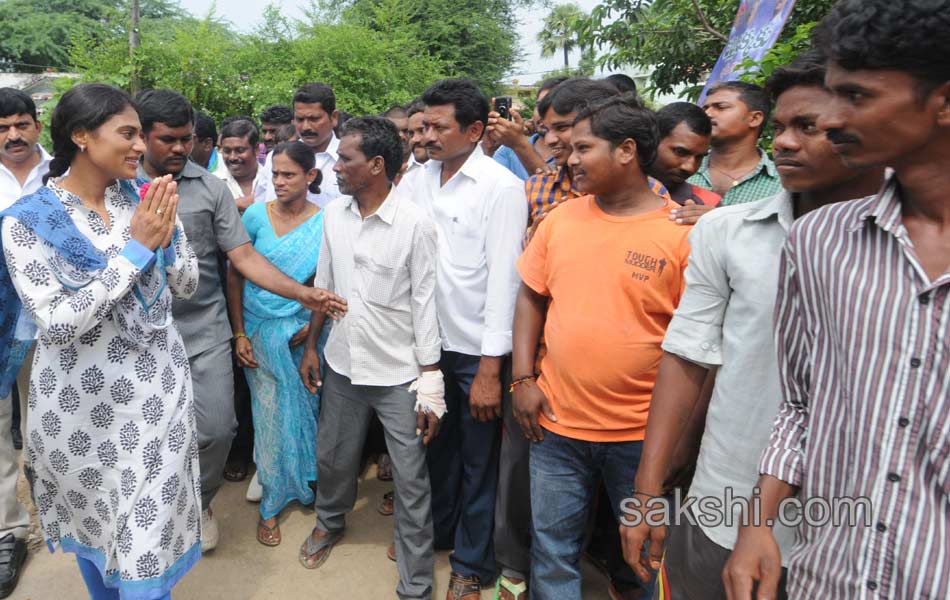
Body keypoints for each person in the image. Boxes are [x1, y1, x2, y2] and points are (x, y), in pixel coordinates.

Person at [621, 52, 885, 600]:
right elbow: (688, 357)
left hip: (859, 524)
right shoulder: (726, 231)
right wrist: (648, 492)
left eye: (808, 126)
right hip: (724, 500)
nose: (785, 143)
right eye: (783, 127)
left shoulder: (915, 249)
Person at [724, 1, 950, 598]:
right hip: (832, 575)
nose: (832, 118)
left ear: (944, 102)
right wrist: (758, 523)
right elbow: (801, 404)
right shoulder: (820, 241)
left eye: (857, 97)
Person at [0, 82, 201, 599]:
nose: (141, 146)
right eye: (128, 134)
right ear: (82, 136)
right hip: (78, 409)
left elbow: (186, 285)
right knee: (100, 540)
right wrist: (136, 249)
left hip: (156, 399)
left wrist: (168, 237)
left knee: (145, 551)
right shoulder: (27, 222)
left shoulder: (147, 196)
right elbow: (60, 323)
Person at [133, 88, 346, 553]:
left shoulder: (211, 189)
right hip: (133, 335)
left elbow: (242, 258)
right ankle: (149, 513)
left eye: (187, 139)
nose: (179, 149)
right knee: (144, 432)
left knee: (216, 430)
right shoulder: (116, 186)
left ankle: (202, 500)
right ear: (141, 136)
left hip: (202, 328)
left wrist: (301, 295)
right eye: (167, 139)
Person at [512, 95, 690, 599]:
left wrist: (678, 442)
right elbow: (529, 298)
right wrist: (522, 378)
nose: (569, 160)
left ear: (627, 150)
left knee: (647, 554)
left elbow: (698, 353)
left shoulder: (681, 235)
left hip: (642, 441)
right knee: (552, 548)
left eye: (583, 148)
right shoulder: (561, 221)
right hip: (555, 427)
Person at [296, 117, 442, 600]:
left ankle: (417, 582)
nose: (335, 167)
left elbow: (425, 303)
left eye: (346, 159)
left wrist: (430, 378)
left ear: (376, 166)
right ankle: (329, 523)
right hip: (341, 363)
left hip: (398, 374)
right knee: (334, 457)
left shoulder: (416, 225)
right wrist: (314, 345)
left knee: (411, 478)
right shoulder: (334, 215)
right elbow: (325, 283)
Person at [399, 78, 526, 600]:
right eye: (422, 125)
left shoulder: (501, 188)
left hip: (477, 351)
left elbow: (504, 283)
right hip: (427, 346)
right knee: (436, 447)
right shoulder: (416, 181)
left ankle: (471, 564)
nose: (425, 135)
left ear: (474, 131)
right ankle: (441, 535)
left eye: (437, 126)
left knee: (480, 461)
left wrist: (492, 371)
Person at [226, 141, 326, 547]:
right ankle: (272, 497)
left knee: (304, 407)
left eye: (289, 174)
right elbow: (236, 275)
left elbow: (325, 284)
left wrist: (313, 336)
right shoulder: (254, 216)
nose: (280, 182)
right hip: (258, 329)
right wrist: (240, 332)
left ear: (310, 177)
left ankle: (305, 480)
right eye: (275, 175)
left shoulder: (326, 222)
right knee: (267, 414)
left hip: (303, 332)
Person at [0, 87, 51, 599]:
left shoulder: (63, 175)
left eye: (20, 124)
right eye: (1, 128)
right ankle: (9, 531)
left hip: (54, 325)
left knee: (51, 423)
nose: (12, 135)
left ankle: (62, 511)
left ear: (37, 125)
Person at [688, 81, 783, 205]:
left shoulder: (783, 183)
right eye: (705, 108)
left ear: (754, 118)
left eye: (720, 107)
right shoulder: (681, 170)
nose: (707, 114)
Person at [261, 83, 341, 207]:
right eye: (300, 119)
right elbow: (265, 209)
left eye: (314, 119)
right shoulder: (276, 158)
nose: (306, 127)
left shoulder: (349, 160)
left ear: (334, 117)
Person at [485, 77, 566, 180]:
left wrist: (519, 144)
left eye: (552, 105)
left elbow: (551, 190)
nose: (542, 112)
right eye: (539, 105)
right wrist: (488, 148)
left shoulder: (573, 152)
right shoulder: (508, 151)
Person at [650, 102, 722, 210]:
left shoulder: (707, 205)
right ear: (652, 141)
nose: (690, 167)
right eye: (680, 152)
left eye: (699, 157)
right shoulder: (617, 188)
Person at [216, 118, 269, 212]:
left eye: (240, 150)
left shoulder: (271, 180)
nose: (232, 157)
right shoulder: (212, 183)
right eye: (227, 151)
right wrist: (235, 204)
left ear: (256, 149)